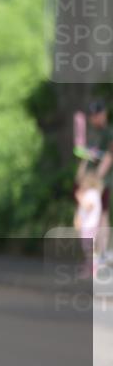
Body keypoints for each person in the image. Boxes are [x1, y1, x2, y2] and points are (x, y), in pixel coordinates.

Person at [77, 99, 112, 265]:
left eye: (97, 114)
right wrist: (82, 176)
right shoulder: (93, 135)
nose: (95, 118)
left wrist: (97, 178)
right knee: (90, 217)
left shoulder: (108, 133)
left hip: (102, 181)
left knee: (102, 215)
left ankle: (103, 252)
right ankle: (94, 254)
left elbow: (109, 157)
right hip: (90, 183)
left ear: (103, 114)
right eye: (92, 115)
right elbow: (86, 157)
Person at [74, 170, 104, 278]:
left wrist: (80, 199)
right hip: (88, 225)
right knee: (88, 249)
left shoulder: (92, 193)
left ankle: (94, 269)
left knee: (89, 249)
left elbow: (89, 207)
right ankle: (90, 269)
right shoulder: (92, 193)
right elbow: (82, 211)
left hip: (90, 226)